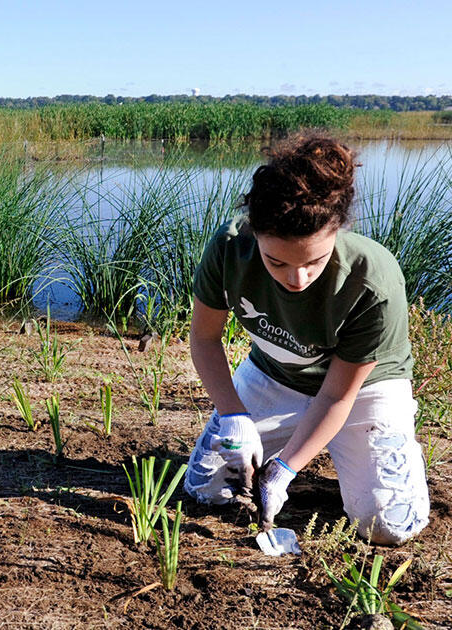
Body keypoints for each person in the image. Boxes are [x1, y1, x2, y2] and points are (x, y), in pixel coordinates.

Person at [183, 133, 429, 545]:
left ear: (338, 230)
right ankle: (320, 446)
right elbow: (204, 340)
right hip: (276, 374)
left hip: (362, 391)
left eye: (314, 261)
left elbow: (335, 397)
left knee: (387, 526)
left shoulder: (373, 278)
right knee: (207, 492)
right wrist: (234, 415)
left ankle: (380, 446)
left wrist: (285, 469)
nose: (297, 279)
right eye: (276, 261)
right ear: (255, 235)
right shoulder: (229, 248)